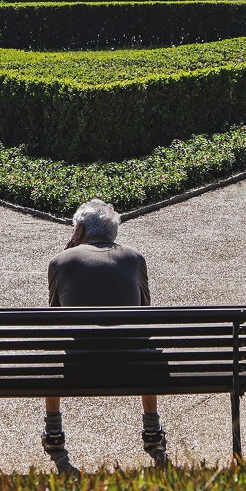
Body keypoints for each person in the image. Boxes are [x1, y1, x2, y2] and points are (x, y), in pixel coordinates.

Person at [41, 197, 168, 475]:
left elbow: (56, 317)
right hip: (132, 365)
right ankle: (152, 430)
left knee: (52, 353)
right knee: (147, 347)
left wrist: (68, 252)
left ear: (79, 230)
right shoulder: (135, 258)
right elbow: (144, 311)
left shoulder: (60, 261)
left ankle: (53, 432)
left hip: (78, 366)